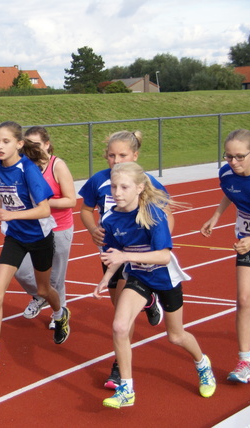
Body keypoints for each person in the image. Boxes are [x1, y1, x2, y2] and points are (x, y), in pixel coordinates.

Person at [94, 161, 216, 408]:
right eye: (114, 186)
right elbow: (115, 253)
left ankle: (203, 364)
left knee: (176, 335)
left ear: (139, 188)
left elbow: (163, 256)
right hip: (139, 277)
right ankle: (126, 389)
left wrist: (126, 256)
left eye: (124, 187)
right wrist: (106, 277)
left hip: (164, 278)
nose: (117, 192)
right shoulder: (109, 218)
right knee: (119, 326)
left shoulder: (153, 214)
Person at [0, 121, 70, 374]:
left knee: (43, 288)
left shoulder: (29, 170)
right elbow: (6, 194)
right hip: (15, 237)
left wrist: (11, 215)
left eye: (5, 141)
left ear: (19, 144)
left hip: (40, 236)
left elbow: (44, 209)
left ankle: (60, 314)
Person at [78, 130, 169, 389]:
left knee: (121, 317)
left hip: (138, 253)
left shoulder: (146, 181)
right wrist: (92, 229)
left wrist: (160, 240)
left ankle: (119, 368)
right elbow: (85, 209)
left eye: (122, 155)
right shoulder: (98, 181)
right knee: (118, 307)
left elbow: (166, 213)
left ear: (135, 156)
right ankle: (148, 301)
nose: (116, 160)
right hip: (112, 252)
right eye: (111, 155)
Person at [200, 128, 250, 384]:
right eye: (228, 156)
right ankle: (245, 361)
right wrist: (216, 216)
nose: (233, 162)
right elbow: (231, 192)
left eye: (239, 156)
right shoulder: (226, 173)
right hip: (249, 239)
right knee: (243, 299)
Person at [15, 127, 75, 331]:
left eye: (36, 145)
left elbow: (71, 200)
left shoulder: (57, 166)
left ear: (47, 144)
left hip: (59, 227)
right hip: (32, 227)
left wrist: (44, 203)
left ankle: (60, 313)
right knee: (20, 270)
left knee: (56, 276)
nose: (32, 149)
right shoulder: (23, 166)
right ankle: (40, 296)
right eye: (28, 145)